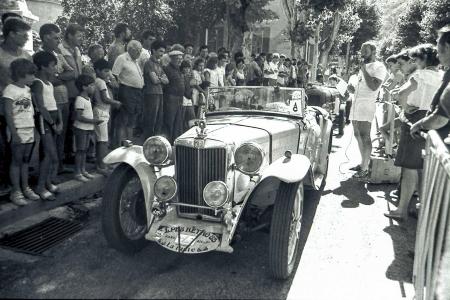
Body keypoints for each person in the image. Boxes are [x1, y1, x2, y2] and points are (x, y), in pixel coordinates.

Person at [385, 44, 442, 221]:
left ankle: (401, 210)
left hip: (415, 118)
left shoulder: (420, 75)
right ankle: (422, 208)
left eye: (416, 59)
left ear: (424, 59)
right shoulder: (441, 76)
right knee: (423, 167)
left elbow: (401, 93)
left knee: (409, 168)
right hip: (433, 120)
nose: (414, 62)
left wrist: (404, 108)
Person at [0, 17, 32, 196]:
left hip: (23, 108)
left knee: (22, 148)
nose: (27, 37)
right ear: (11, 33)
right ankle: (8, 185)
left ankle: (20, 186)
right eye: (23, 34)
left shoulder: (26, 55)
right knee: (4, 146)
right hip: (3, 105)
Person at [38, 23, 76, 174]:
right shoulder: (38, 56)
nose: (58, 41)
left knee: (62, 133)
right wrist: (58, 78)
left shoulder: (58, 55)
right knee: (48, 136)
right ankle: (46, 170)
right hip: (49, 102)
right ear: (46, 37)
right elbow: (44, 79)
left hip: (63, 98)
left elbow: (72, 73)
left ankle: (58, 166)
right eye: (55, 38)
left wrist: (57, 76)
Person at [347, 42, 387, 180]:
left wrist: (364, 70)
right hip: (356, 103)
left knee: (365, 136)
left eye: (366, 50)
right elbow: (361, 85)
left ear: (374, 51)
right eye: (361, 49)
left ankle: (365, 169)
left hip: (366, 105)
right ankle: (363, 162)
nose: (362, 52)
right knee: (357, 135)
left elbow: (373, 87)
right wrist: (352, 89)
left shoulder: (379, 67)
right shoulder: (362, 67)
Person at [2, 59, 39, 205]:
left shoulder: (27, 90)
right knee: (16, 161)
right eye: (31, 75)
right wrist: (14, 133)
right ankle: (15, 191)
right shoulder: (10, 90)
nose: (33, 78)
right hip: (17, 129)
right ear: (22, 74)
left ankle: (25, 187)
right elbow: (8, 113)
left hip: (29, 128)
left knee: (25, 160)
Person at [32, 52, 63, 201]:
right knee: (49, 154)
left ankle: (47, 182)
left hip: (54, 120)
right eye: (52, 65)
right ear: (43, 66)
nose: (54, 68)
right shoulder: (38, 83)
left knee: (49, 154)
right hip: (45, 121)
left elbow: (55, 104)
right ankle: (40, 187)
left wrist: (60, 122)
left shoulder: (49, 83)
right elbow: (41, 106)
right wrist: (51, 123)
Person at [59, 23, 84, 163]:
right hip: (65, 92)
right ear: (69, 35)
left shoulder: (77, 49)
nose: (81, 39)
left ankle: (69, 154)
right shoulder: (61, 49)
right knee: (64, 126)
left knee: (72, 125)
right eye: (79, 36)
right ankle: (61, 156)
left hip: (77, 91)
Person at [92, 59, 121, 175]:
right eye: (105, 71)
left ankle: (103, 163)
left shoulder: (99, 81)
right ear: (98, 71)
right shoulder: (101, 82)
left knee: (102, 140)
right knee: (102, 141)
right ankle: (101, 165)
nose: (107, 73)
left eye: (108, 71)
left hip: (102, 111)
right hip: (101, 111)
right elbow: (104, 98)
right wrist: (116, 102)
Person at [112, 40, 144, 143]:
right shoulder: (122, 58)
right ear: (130, 49)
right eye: (137, 50)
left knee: (132, 120)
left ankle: (129, 145)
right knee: (123, 120)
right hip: (126, 91)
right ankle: (118, 146)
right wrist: (119, 91)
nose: (139, 52)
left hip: (137, 93)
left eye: (140, 50)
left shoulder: (136, 61)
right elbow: (114, 75)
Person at [73, 74, 102, 182]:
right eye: (91, 85)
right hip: (81, 128)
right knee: (80, 150)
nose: (93, 87)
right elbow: (79, 116)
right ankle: (77, 172)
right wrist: (94, 121)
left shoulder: (87, 99)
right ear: (84, 87)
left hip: (87, 128)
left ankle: (83, 169)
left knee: (84, 150)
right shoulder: (80, 99)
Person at [143, 40, 168, 138]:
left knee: (159, 119)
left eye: (163, 52)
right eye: (161, 51)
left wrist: (159, 78)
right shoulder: (149, 63)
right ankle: (147, 141)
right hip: (151, 94)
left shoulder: (159, 64)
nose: (162, 54)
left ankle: (156, 142)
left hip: (159, 93)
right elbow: (154, 80)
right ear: (153, 50)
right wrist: (161, 78)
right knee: (151, 120)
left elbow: (167, 81)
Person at [163, 50, 185, 143]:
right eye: (177, 59)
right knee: (169, 122)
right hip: (171, 98)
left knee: (177, 123)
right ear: (171, 59)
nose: (180, 61)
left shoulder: (177, 69)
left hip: (178, 98)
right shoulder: (167, 69)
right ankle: (167, 143)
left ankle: (174, 143)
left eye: (181, 59)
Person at [181, 60, 195, 131]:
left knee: (192, 117)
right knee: (182, 118)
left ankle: (192, 131)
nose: (187, 70)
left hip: (189, 98)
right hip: (183, 98)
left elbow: (191, 87)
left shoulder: (189, 77)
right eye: (185, 68)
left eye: (188, 68)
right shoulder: (181, 76)